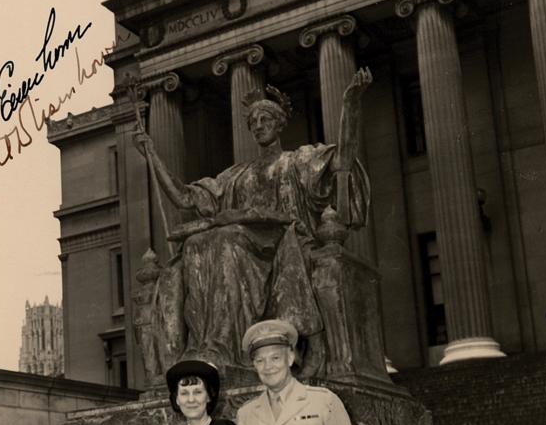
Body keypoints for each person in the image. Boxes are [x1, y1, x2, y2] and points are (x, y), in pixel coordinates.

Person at [131, 71, 372, 375]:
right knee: (195, 243)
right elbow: (184, 197)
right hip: (247, 245)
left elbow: (343, 161)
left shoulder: (298, 160)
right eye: (253, 122)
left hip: (284, 241)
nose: (258, 126)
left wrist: (350, 104)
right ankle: (206, 348)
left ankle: (223, 347)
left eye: (264, 119)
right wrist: (151, 155)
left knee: (226, 239)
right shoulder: (236, 175)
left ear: (279, 124)